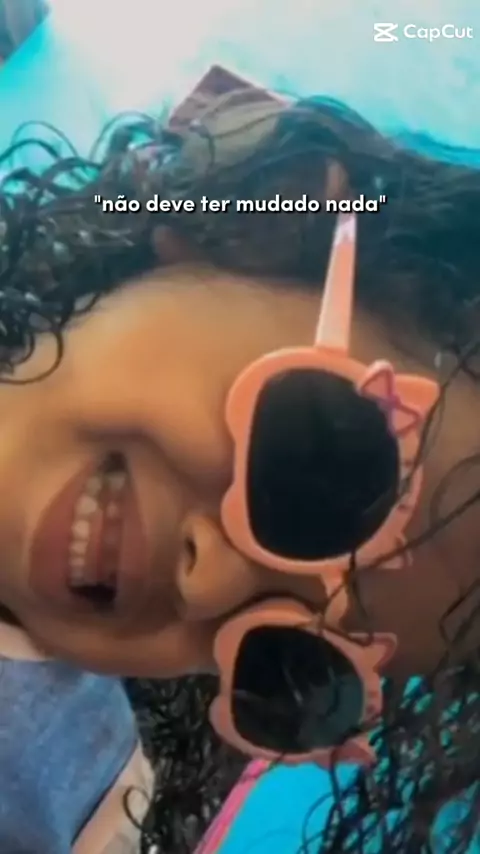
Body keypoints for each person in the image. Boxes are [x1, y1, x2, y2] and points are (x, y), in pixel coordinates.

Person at [0, 64, 479, 853]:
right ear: (260, 212)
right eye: (311, 470)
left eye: (290, 665)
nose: (208, 583)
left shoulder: (48, 789)